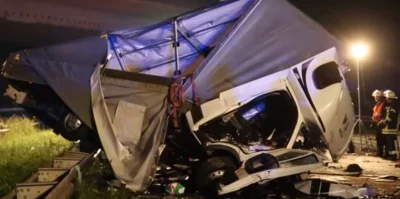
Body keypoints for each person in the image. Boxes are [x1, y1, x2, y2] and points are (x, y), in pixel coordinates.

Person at [378, 90, 399, 160]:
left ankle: (393, 156)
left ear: (389, 98)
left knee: (391, 142)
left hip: (391, 128)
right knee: (389, 142)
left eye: (386, 98)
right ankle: (390, 155)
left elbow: (390, 117)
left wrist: (383, 122)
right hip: (390, 128)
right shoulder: (392, 105)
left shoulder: (393, 106)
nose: (386, 99)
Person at [371, 90, 386, 157]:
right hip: (377, 123)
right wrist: (373, 123)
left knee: (382, 139)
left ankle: (382, 153)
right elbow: (375, 113)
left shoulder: (384, 104)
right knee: (378, 139)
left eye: (376, 97)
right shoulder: (378, 104)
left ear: (380, 97)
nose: (375, 98)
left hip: (382, 124)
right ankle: (379, 152)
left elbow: (383, 114)